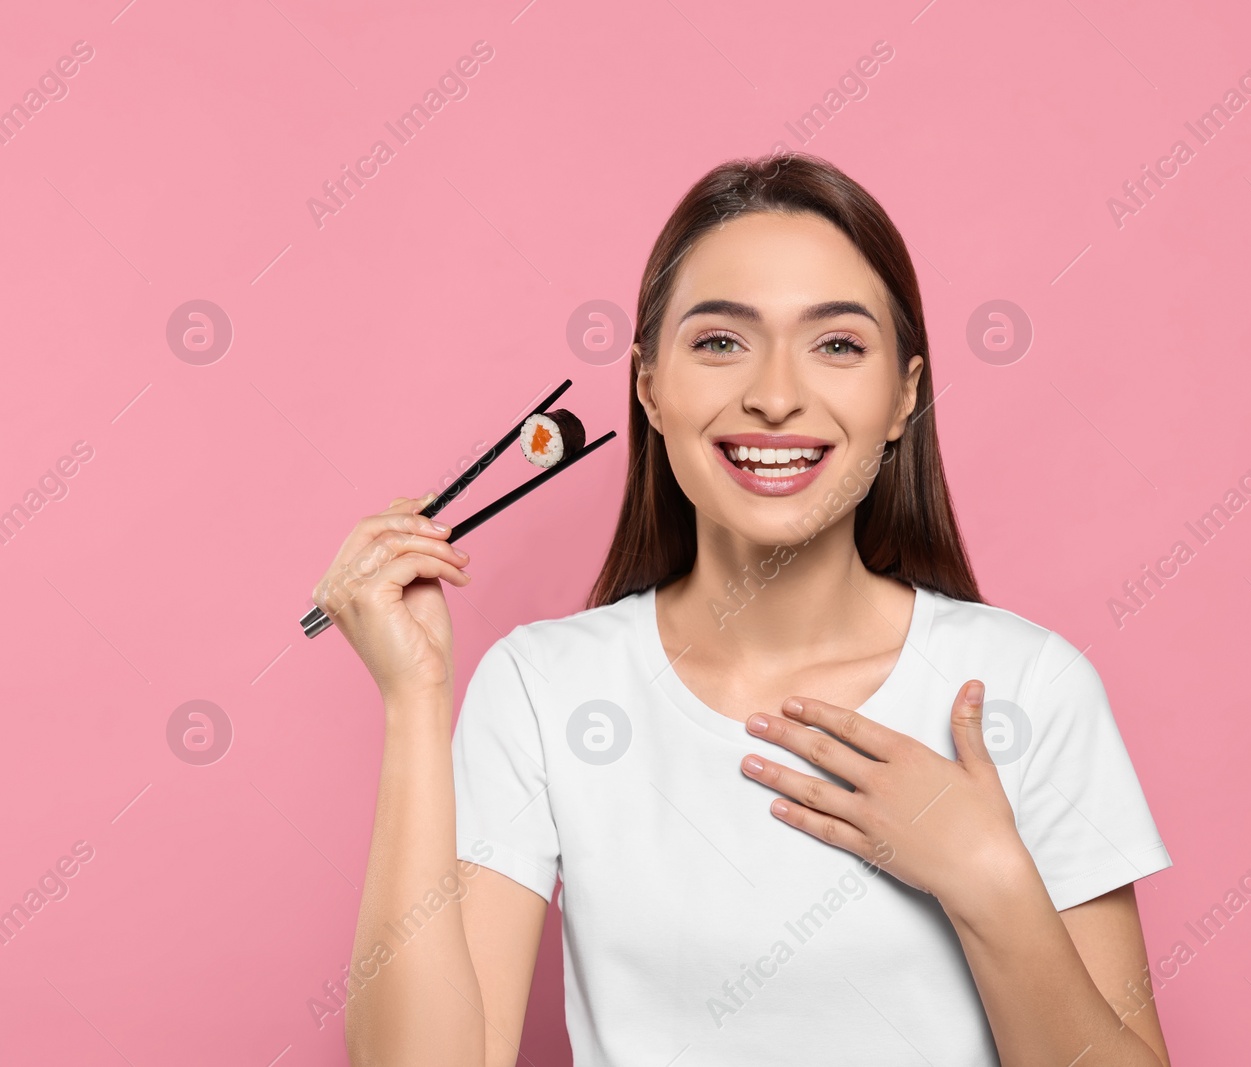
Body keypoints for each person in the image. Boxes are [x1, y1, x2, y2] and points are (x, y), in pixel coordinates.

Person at [321, 152, 1174, 1067]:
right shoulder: (545, 688)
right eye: (721, 341)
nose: (774, 396)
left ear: (905, 397)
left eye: (838, 344)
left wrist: (990, 879)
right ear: (650, 387)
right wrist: (414, 703)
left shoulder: (1027, 686)